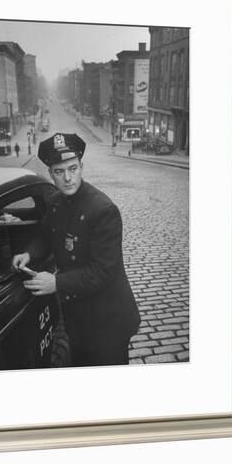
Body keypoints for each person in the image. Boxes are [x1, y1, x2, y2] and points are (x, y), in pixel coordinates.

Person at [12, 132, 140, 367]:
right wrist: (29, 253)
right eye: (59, 172)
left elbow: (103, 271)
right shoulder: (55, 202)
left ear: (81, 166)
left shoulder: (102, 210)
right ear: (51, 174)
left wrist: (55, 283)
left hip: (107, 322)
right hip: (77, 319)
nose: (68, 178)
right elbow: (46, 235)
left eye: (73, 169)